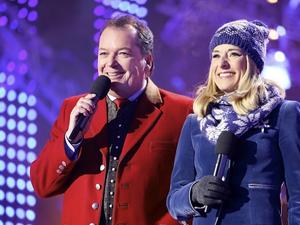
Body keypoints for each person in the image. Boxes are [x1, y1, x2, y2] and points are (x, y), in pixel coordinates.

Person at [30, 14, 193, 225]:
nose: (110, 64)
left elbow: (192, 192)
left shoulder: (182, 111)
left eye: (123, 54)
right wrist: (71, 140)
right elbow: (42, 185)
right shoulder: (73, 108)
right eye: (103, 54)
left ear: (148, 62)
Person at [166, 19, 300, 225]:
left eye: (234, 54)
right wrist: (194, 194)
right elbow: (174, 201)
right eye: (216, 56)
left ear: (254, 62)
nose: (222, 64)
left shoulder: (283, 114)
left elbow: (298, 196)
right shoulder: (196, 122)